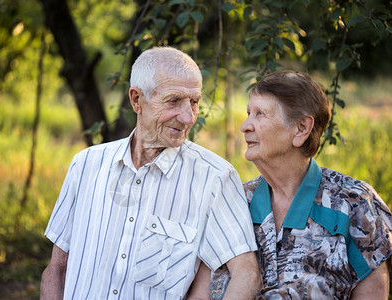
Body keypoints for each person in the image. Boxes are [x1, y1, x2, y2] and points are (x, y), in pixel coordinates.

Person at [40, 46, 262, 299]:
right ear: (137, 100)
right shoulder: (86, 165)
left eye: (194, 102)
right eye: (174, 101)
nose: (188, 118)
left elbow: (246, 274)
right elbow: (57, 269)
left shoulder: (214, 177)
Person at [206, 70, 392, 299]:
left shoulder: (353, 203)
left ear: (301, 128)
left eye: (260, 114)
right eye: (248, 113)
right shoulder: (233, 201)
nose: (245, 126)